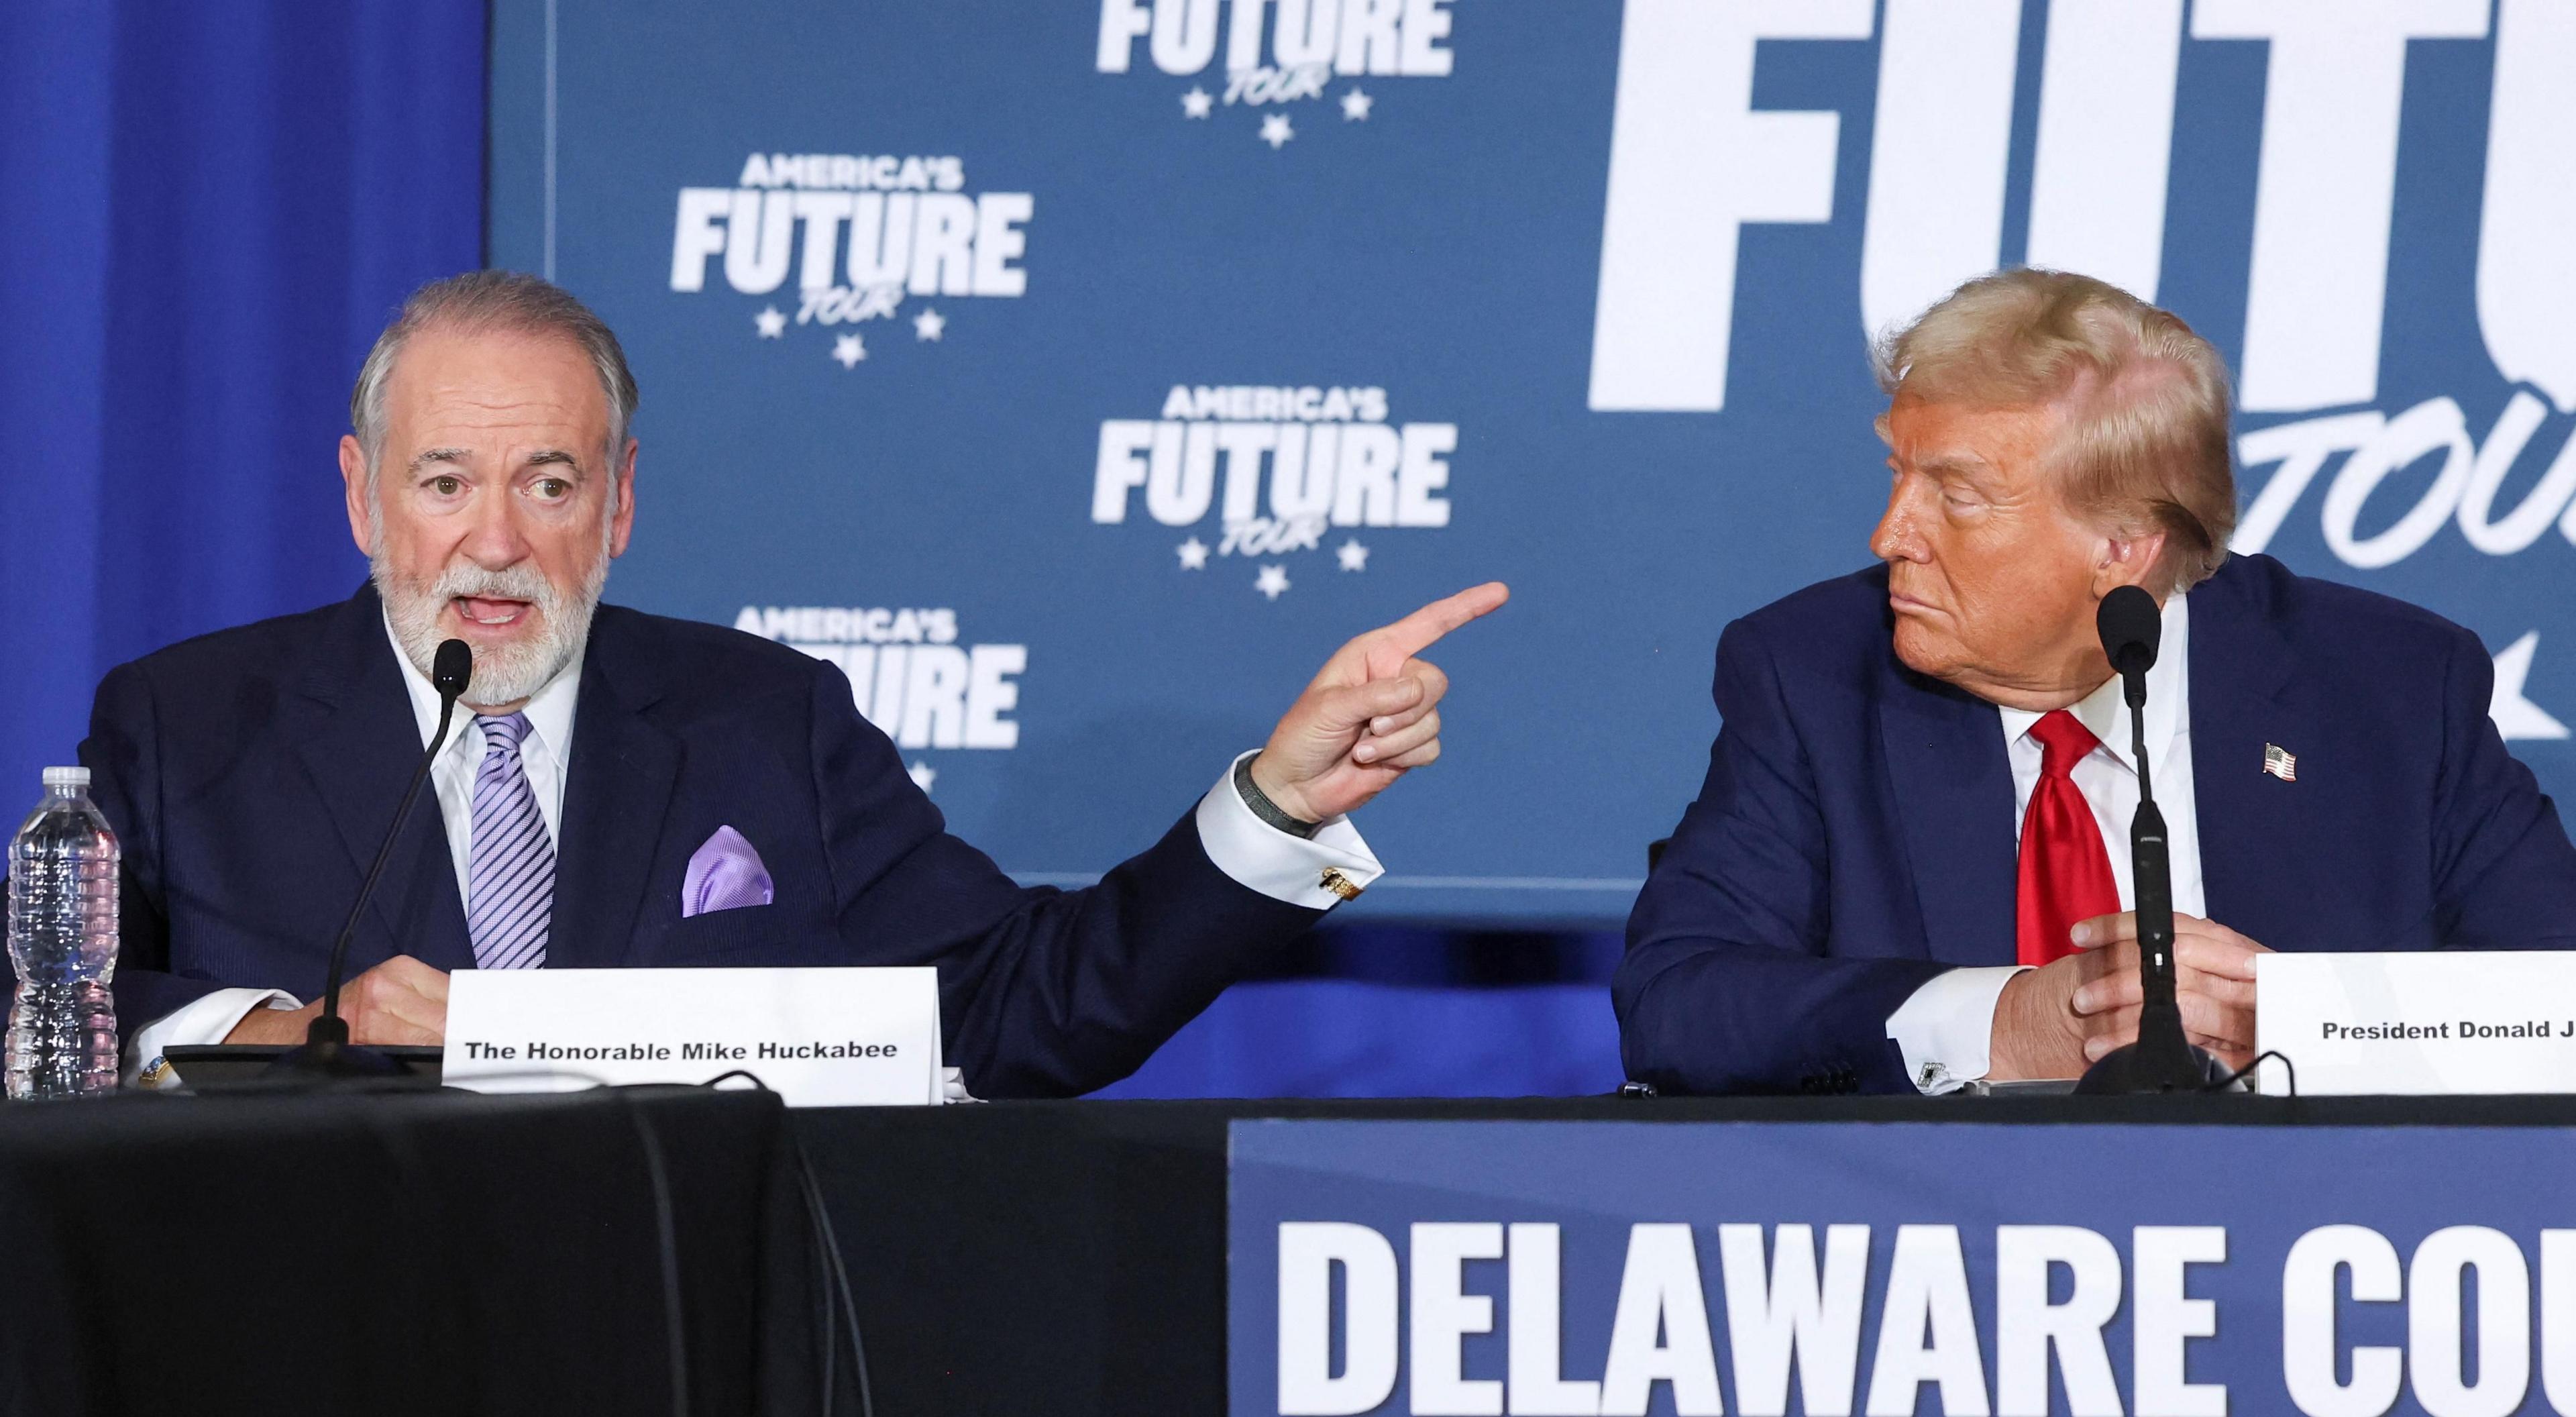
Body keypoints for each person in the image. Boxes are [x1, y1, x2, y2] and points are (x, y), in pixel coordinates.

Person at [80, 270, 1507, 1096]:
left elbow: (1020, 1009)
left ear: (621, 504)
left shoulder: (767, 721)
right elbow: (48, 1015)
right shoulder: (189, 724)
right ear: (361, 496)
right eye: (446, 481)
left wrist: (1276, 804)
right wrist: (291, 1033)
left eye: (551, 482)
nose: (496, 541)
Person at [1619, 268, 2576, 1096]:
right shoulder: (1814, 671)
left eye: (1954, 495)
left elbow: (2558, 1007)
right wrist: (1999, 1020)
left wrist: (2303, 1025)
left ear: (2121, 547)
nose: (1890, 535)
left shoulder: (2391, 689)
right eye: (1897, 474)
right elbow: (1681, 1002)